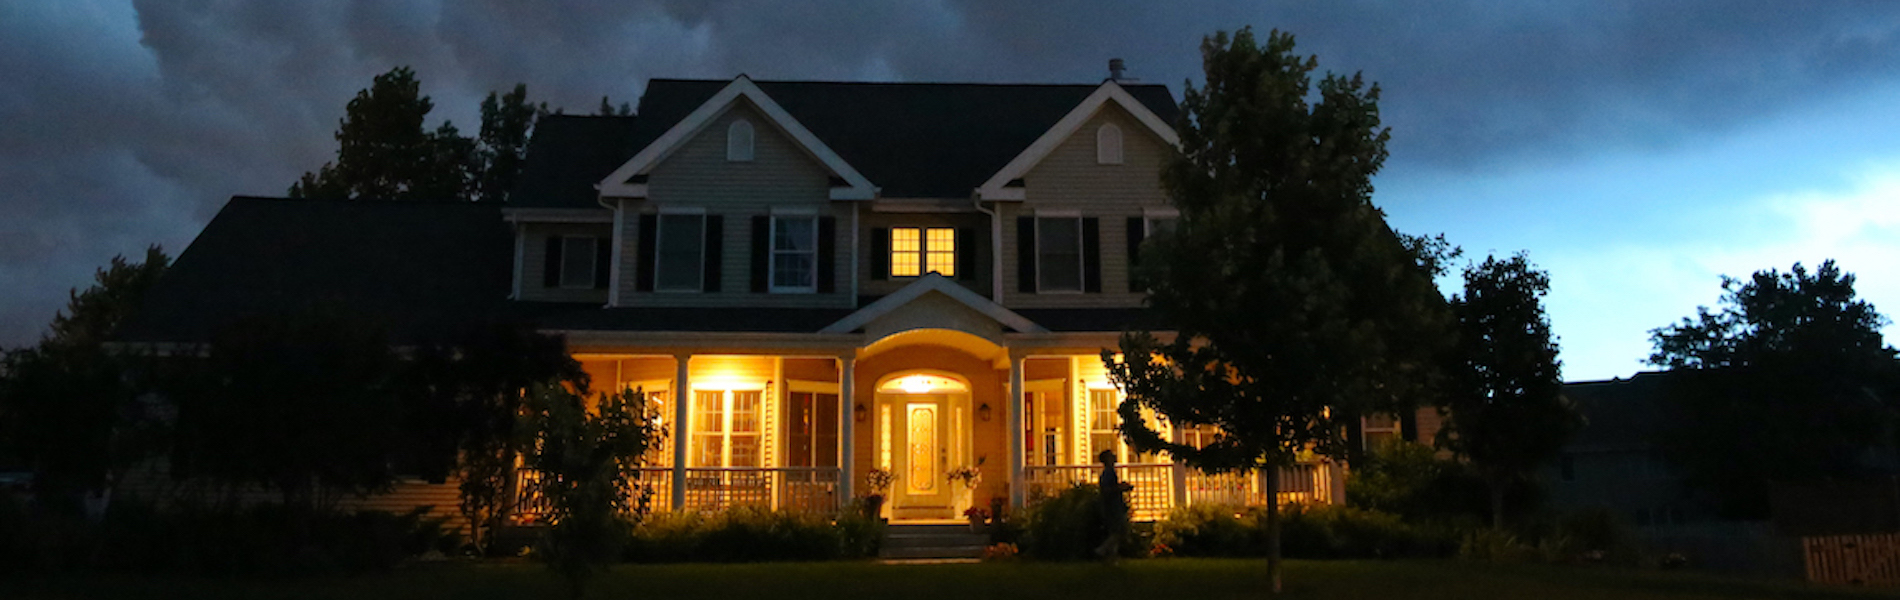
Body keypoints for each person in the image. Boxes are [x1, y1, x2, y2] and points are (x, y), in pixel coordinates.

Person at [1094, 449, 1130, 560]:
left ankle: (1112, 556)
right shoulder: (1108, 473)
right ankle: (1102, 550)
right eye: (1111, 456)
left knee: (1115, 532)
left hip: (1114, 504)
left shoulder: (1111, 472)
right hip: (1111, 505)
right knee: (1119, 531)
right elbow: (1106, 489)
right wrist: (1121, 488)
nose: (1114, 457)